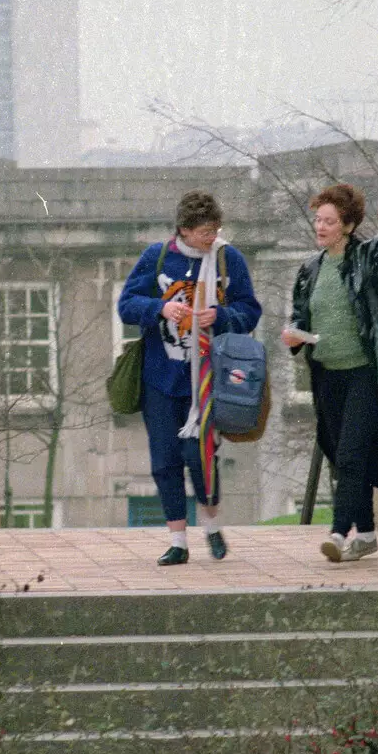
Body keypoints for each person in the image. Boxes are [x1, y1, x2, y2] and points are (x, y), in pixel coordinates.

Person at [118, 190, 262, 565]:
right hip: (161, 379)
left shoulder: (229, 259)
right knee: (164, 460)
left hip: (209, 378)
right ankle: (178, 541)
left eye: (215, 229)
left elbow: (250, 310)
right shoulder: (158, 257)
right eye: (203, 231)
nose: (211, 237)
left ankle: (212, 527)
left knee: (199, 457)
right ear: (183, 229)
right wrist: (160, 307)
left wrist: (224, 317)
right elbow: (126, 306)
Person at [282, 184, 378, 563]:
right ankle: (367, 534)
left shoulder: (367, 257)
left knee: (353, 454)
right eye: (318, 220)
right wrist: (293, 336)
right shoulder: (310, 268)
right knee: (343, 456)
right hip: (326, 374)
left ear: (348, 225)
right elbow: (300, 316)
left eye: (329, 221)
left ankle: (339, 534)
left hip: (364, 372)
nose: (320, 227)